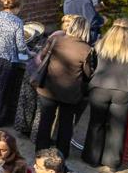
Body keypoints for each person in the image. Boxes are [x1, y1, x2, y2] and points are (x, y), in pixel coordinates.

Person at [81, 18, 128, 168]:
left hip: (99, 87)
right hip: (124, 90)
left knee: (96, 124)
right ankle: (112, 161)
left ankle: (91, 157)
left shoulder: (100, 44)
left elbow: (93, 65)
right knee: (118, 127)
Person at [33, 14, 95, 159]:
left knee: (45, 120)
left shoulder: (56, 39)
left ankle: (40, 150)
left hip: (48, 88)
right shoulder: (86, 49)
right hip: (70, 92)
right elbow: (87, 73)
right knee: (66, 124)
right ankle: (62, 153)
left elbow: (42, 56)